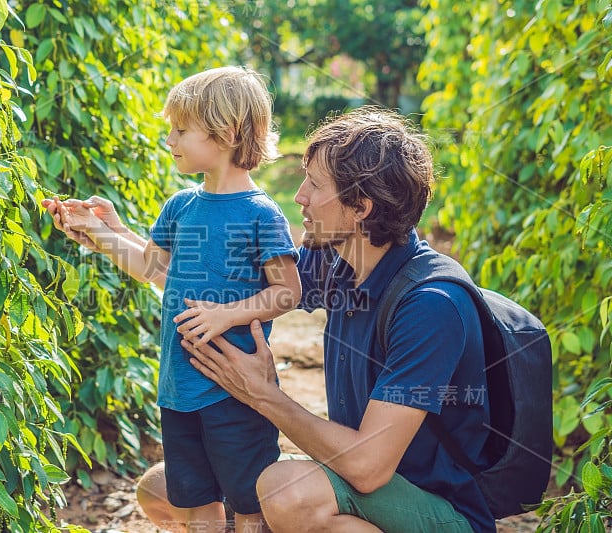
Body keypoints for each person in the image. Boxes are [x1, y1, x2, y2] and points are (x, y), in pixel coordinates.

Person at [137, 106, 497, 533]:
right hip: (363, 488)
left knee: (284, 492)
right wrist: (103, 233)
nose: (299, 196)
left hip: (437, 509)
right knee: (160, 490)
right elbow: (190, 278)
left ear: (360, 206)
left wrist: (263, 395)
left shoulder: (430, 305)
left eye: (314, 184)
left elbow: (367, 468)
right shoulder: (337, 262)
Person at [43, 66, 301, 533]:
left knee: (249, 505)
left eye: (180, 130)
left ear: (225, 132)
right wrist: (98, 232)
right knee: (194, 503)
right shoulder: (180, 206)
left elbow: (287, 291)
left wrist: (227, 314)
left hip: (234, 391)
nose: (170, 140)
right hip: (179, 389)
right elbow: (152, 269)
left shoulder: (262, 213)